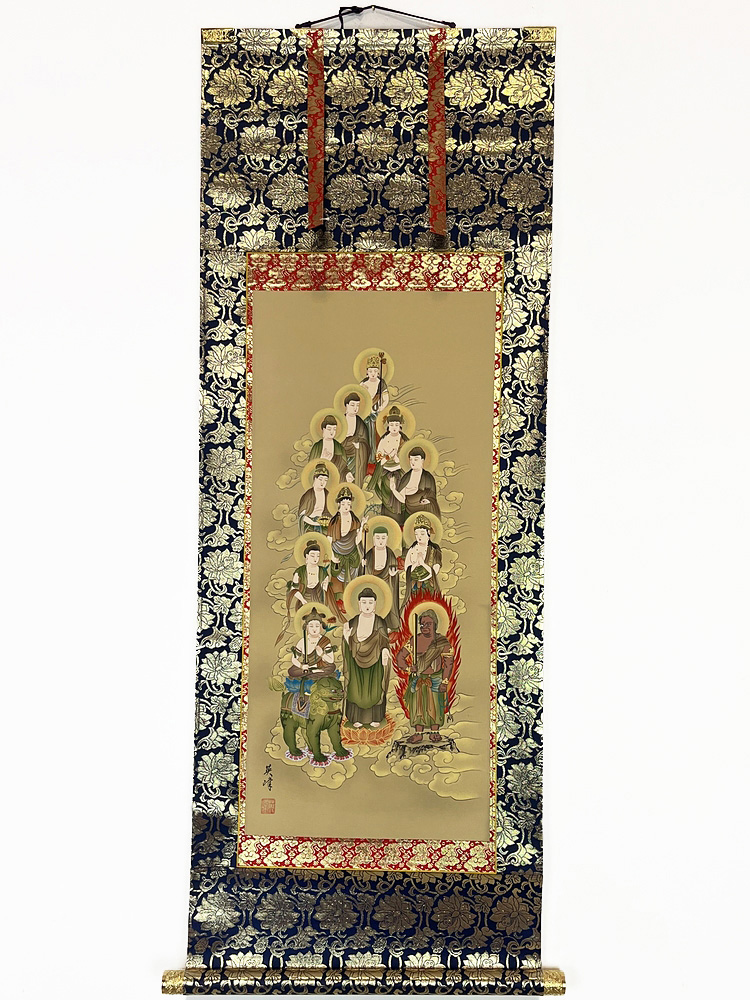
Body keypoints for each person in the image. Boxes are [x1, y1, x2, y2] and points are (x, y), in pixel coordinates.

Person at [281, 607, 338, 759]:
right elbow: (294, 659)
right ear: (306, 627)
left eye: (317, 626)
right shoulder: (303, 641)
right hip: (306, 670)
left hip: (321, 669)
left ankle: (314, 674)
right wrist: (301, 666)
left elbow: (331, 661)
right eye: (311, 625)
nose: (314, 629)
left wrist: (321, 654)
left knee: (331, 668)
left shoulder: (325, 642)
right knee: (293, 671)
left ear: (321, 627)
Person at [395, 609, 453, 743]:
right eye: (422, 624)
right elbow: (400, 657)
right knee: (418, 707)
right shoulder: (415, 640)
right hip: (418, 679)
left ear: (435, 624)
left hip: (436, 678)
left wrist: (445, 681)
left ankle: (434, 732)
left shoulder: (442, 642)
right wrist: (409, 668)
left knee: (435, 706)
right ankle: (418, 733)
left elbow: (448, 662)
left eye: (428, 624)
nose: (424, 627)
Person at [342, 588, 391, 728]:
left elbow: (384, 640)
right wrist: (347, 638)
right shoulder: (353, 622)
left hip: (375, 660)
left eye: (370, 602)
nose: (367, 605)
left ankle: (375, 717)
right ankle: (355, 717)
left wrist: (385, 651)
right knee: (356, 689)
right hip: (355, 661)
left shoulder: (380, 622)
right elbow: (348, 642)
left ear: (375, 604)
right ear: (359, 604)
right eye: (364, 602)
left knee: (375, 689)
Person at [326, 486, 367, 602]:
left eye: (348, 504)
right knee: (337, 581)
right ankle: (339, 601)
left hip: (352, 553)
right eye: (343, 503)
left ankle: (352, 600)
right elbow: (329, 540)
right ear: (339, 504)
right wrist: (332, 556)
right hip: (338, 554)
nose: (346, 506)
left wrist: (362, 525)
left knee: (353, 579)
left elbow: (357, 540)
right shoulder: (334, 521)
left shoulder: (354, 520)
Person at [369, 405, 409, 518]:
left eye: (396, 425)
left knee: (400, 492)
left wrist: (398, 459)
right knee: (387, 493)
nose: (394, 427)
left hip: (399, 470)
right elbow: (378, 457)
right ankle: (386, 517)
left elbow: (407, 457)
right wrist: (387, 457)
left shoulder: (404, 440)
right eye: (391, 425)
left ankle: (400, 519)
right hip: (386, 471)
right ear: (388, 426)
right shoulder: (384, 439)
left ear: (400, 426)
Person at [361, 525, 401, 631]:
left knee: (389, 598)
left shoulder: (390, 554)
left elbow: (394, 568)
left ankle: (389, 624)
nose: (380, 541)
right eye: (377, 538)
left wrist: (393, 575)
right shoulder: (369, 554)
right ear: (373, 539)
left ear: (387, 539)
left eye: (383, 538)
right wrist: (364, 565)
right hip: (373, 582)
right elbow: (365, 573)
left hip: (387, 581)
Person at [390, 446, 440, 523]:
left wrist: (428, 501)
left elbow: (432, 498)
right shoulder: (406, 477)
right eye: (411, 459)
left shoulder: (427, 477)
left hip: (424, 513)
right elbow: (403, 499)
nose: (412, 462)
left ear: (422, 461)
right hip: (408, 513)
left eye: (416, 459)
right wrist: (393, 490)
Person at [403, 514, 442, 606]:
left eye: (422, 534)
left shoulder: (434, 550)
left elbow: (435, 569)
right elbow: (407, 568)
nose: (419, 537)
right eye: (416, 534)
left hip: (429, 585)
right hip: (414, 586)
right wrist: (415, 564)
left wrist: (423, 564)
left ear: (428, 533)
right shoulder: (412, 549)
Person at [359, 354, 389, 464]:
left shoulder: (381, 383)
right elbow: (360, 399)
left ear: (378, 372)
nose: (373, 373)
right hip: (365, 414)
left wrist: (380, 408)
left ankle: (377, 458)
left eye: (375, 371)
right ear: (367, 372)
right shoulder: (363, 383)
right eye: (370, 371)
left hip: (377, 414)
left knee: (377, 436)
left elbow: (385, 398)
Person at [310, 415, 352, 482]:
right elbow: (310, 467)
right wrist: (323, 460)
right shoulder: (317, 447)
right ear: (323, 429)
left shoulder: (339, 447)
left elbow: (343, 467)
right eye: (329, 429)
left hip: (337, 480)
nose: (332, 432)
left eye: (334, 429)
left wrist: (347, 474)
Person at [341, 392, 369, 487]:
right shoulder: (340, 421)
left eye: (357, 405)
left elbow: (365, 442)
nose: (355, 408)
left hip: (356, 454)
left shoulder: (361, 424)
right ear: (346, 405)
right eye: (352, 405)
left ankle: (357, 486)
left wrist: (360, 445)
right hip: (342, 452)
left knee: (361, 450)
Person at [297, 464, 330, 535]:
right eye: (320, 479)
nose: (323, 482)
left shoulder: (327, 494)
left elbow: (329, 512)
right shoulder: (308, 495)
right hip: (310, 524)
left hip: (324, 524)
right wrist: (313, 523)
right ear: (315, 479)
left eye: (325, 480)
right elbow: (302, 515)